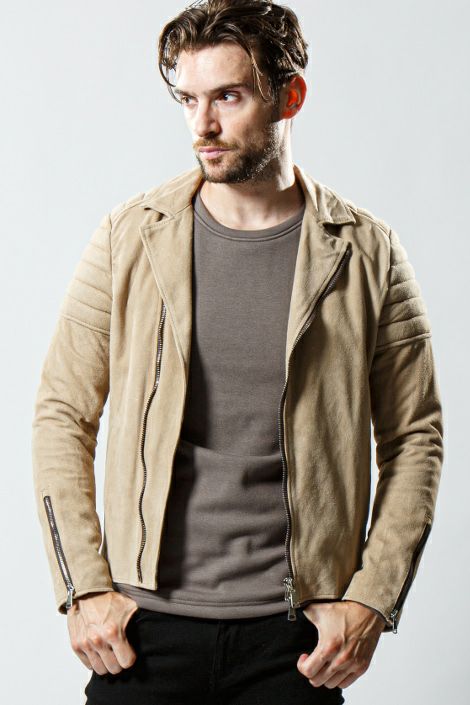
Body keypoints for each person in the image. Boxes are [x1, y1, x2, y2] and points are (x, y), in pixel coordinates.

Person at [31, 1, 444, 703]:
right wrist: (84, 588)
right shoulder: (130, 237)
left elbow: (414, 436)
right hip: (143, 631)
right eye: (188, 99)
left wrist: (372, 598)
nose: (203, 125)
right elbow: (62, 413)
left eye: (228, 96)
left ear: (290, 96)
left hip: (294, 640)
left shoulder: (367, 252)